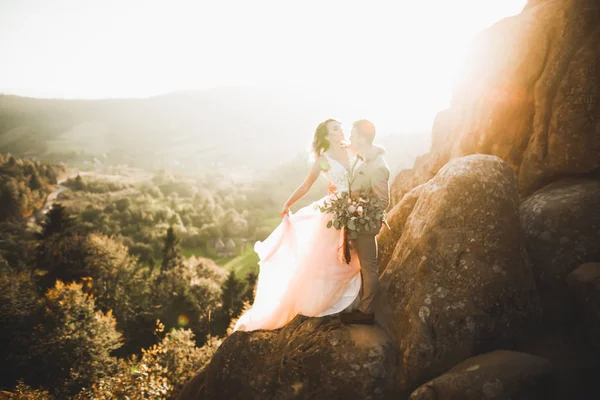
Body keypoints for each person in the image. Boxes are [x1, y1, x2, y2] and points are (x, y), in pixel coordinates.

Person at [233, 118, 388, 331]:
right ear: (326, 135)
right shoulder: (323, 160)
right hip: (336, 209)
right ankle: (333, 301)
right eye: (336, 128)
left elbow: (370, 151)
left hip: (357, 207)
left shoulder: (351, 149)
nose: (341, 130)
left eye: (340, 127)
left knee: (354, 257)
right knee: (332, 257)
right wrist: (288, 203)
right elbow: (307, 185)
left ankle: (358, 304)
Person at [339, 119, 390, 325]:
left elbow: (383, 201)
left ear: (363, 137)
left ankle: (366, 312)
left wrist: (360, 213)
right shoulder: (362, 157)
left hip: (365, 226)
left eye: (353, 134)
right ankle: (354, 304)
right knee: (356, 265)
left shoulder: (378, 166)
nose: (350, 137)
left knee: (369, 267)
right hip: (355, 222)